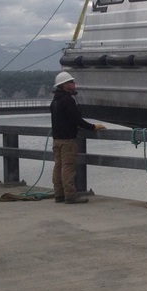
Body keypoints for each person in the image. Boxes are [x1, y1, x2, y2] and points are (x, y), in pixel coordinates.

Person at [50, 72, 104, 203]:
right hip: (68, 139)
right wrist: (92, 127)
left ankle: (59, 194)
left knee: (58, 166)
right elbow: (76, 119)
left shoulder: (54, 101)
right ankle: (70, 195)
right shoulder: (68, 100)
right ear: (64, 85)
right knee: (68, 167)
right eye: (71, 82)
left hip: (56, 139)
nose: (74, 83)